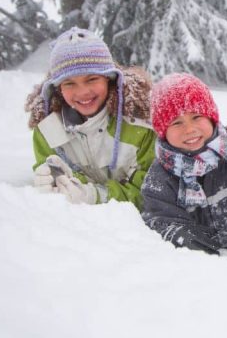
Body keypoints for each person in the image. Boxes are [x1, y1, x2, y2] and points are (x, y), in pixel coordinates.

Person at [141, 73, 227, 254]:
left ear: (211, 117)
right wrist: (210, 258)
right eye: (176, 123)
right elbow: (166, 224)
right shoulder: (159, 181)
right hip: (211, 261)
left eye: (196, 117)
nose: (190, 129)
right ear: (163, 131)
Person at [25, 27, 156, 209]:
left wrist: (95, 195)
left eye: (92, 79)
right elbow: (57, 184)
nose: (83, 92)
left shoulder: (140, 126)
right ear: (58, 88)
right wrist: (54, 182)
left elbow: (152, 194)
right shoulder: (48, 131)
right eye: (69, 83)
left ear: (109, 79)